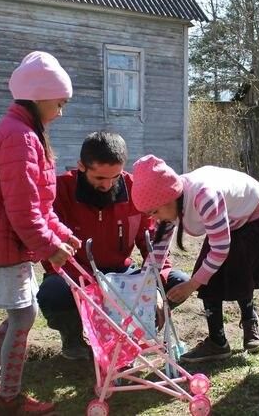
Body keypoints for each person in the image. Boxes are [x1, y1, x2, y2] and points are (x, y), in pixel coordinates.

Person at [0, 51, 78, 415]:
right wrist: (48, 247)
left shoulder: (23, 133)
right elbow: (22, 211)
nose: (61, 111)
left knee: (19, 316)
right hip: (6, 245)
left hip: (10, 242)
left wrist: (61, 234)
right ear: (39, 96)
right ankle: (8, 398)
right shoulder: (19, 138)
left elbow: (39, 203)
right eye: (59, 103)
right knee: (23, 317)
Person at [36, 131, 190, 360]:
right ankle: (73, 338)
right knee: (52, 293)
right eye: (99, 178)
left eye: (115, 177)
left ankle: (138, 331)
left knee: (179, 282)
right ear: (82, 167)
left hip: (122, 275)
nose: (108, 185)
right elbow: (51, 253)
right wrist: (92, 287)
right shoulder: (60, 192)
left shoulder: (136, 190)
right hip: (77, 276)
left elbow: (153, 244)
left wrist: (154, 286)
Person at [131, 155, 259, 363]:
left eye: (155, 212)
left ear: (171, 196)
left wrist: (192, 285)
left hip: (251, 212)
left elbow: (219, 249)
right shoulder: (170, 204)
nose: (154, 218)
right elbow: (158, 249)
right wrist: (147, 287)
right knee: (208, 274)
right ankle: (217, 343)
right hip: (226, 216)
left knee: (237, 271)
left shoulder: (204, 197)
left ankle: (249, 318)